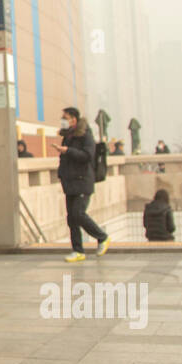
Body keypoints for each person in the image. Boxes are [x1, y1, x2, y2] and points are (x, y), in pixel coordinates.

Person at [52, 106, 110, 262]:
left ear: (73, 119)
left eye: (65, 118)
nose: (63, 121)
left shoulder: (85, 135)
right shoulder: (68, 136)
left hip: (82, 180)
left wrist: (67, 151)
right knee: (71, 218)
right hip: (69, 181)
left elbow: (87, 155)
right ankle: (78, 250)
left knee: (79, 213)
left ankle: (102, 237)